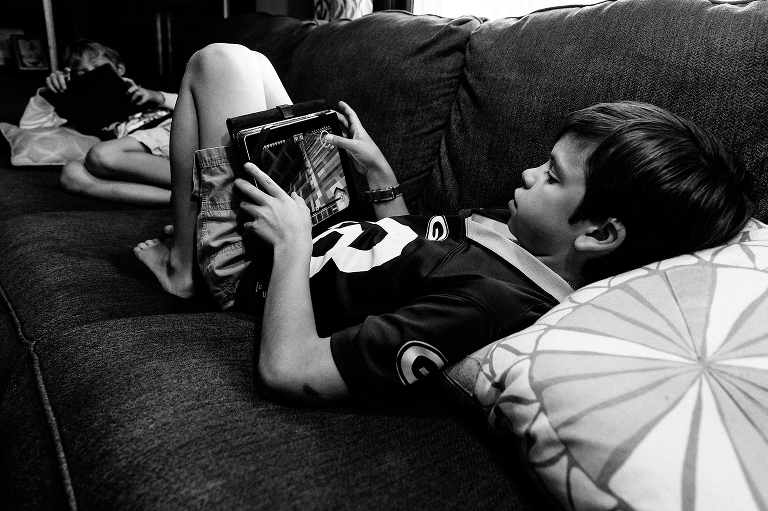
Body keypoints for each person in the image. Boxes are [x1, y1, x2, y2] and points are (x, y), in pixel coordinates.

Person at [134, 43, 753, 407]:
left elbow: (289, 368)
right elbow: (409, 257)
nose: (530, 173)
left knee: (217, 63)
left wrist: (294, 245)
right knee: (259, 73)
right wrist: (381, 181)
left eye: (554, 176)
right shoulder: (514, 242)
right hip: (319, 228)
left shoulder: (488, 307)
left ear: (597, 234)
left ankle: (188, 268)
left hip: (259, 276)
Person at [19, 39, 177, 206]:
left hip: (173, 136)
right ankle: (184, 200)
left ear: (120, 69)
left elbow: (199, 106)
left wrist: (157, 96)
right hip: (141, 160)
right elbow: (29, 127)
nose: (92, 75)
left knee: (101, 155)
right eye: (83, 73)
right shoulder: (78, 110)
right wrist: (46, 93)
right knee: (71, 174)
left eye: (99, 68)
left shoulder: (141, 93)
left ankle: (201, 183)